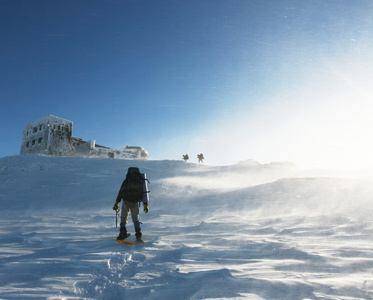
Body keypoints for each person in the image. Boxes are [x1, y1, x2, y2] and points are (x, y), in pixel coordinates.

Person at [113, 167, 149, 242]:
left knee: (123, 218)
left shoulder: (127, 180)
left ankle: (122, 233)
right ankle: (138, 235)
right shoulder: (140, 181)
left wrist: (117, 203)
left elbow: (121, 192)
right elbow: (144, 193)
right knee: (136, 219)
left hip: (126, 201)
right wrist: (145, 205)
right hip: (135, 202)